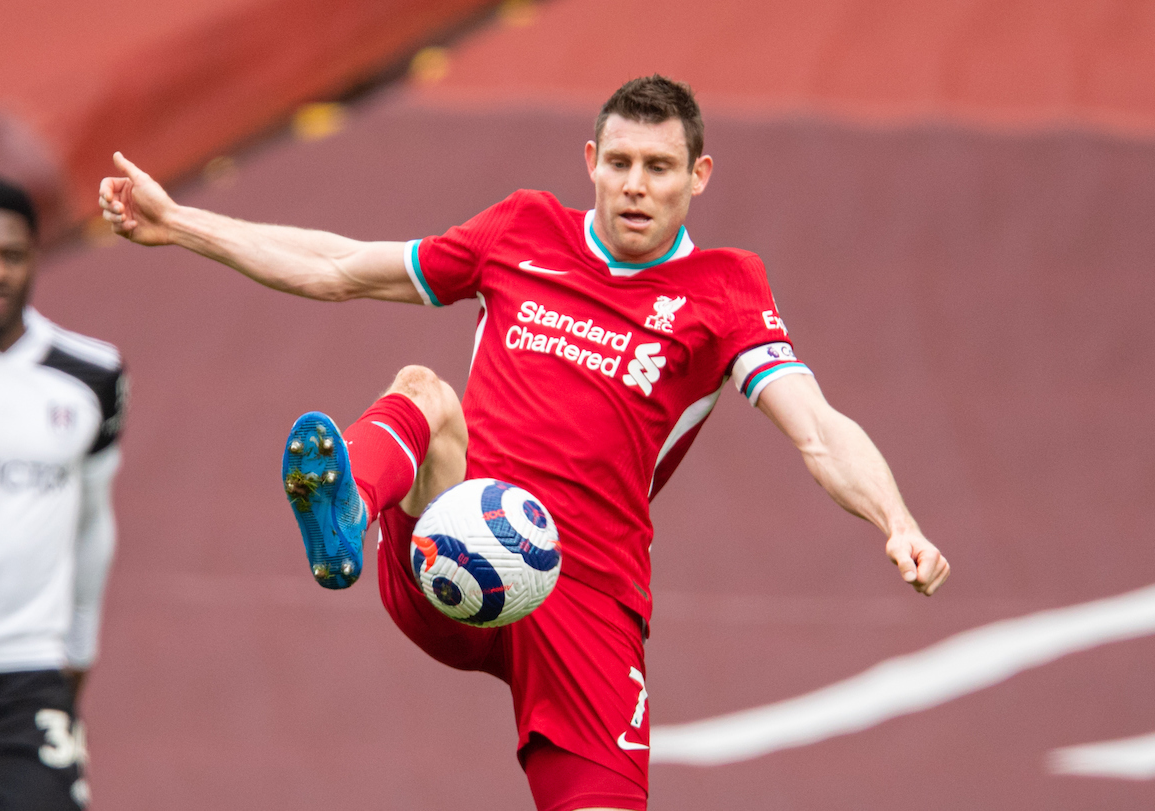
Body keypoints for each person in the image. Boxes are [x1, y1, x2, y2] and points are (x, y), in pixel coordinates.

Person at [99, 75, 949, 811]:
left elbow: (817, 424)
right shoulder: (523, 231)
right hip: (457, 534)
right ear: (590, 163)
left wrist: (895, 519)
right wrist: (181, 225)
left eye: (658, 169)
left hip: (586, 593)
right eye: (618, 165)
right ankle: (349, 510)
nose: (635, 187)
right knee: (425, 394)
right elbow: (342, 267)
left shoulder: (724, 291)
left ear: (698, 177)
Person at [0, 177, 127, 810]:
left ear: (35, 256)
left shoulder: (92, 375)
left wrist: (79, 646)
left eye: (11, 255)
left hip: (25, 671)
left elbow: (93, 522)